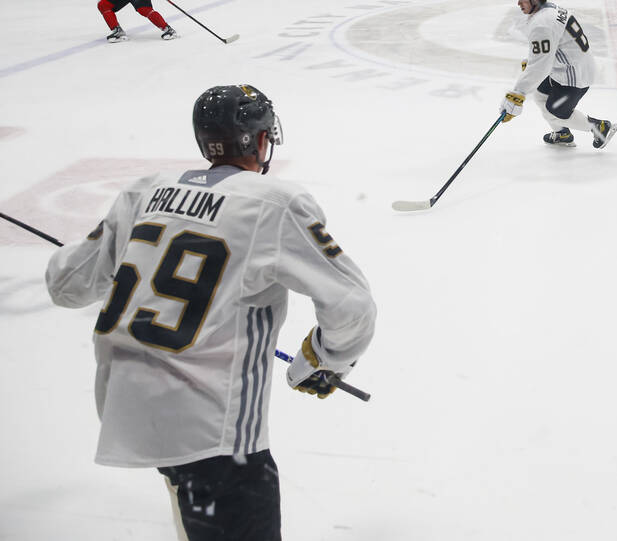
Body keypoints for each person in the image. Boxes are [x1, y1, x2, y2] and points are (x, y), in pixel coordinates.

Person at [44, 84, 378, 541]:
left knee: (188, 491)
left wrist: (99, 249)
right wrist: (322, 361)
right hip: (212, 431)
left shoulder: (145, 191)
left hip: (126, 402)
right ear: (260, 140)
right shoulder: (274, 203)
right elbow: (352, 306)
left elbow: (66, 284)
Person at [500, 0, 617, 149]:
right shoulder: (550, 9)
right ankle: (563, 134)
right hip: (567, 67)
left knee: (554, 111)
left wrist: (517, 95)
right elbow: (549, 47)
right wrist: (532, 59)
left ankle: (600, 128)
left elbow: (540, 66)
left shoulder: (541, 23)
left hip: (574, 75)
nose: (518, 3)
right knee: (540, 96)